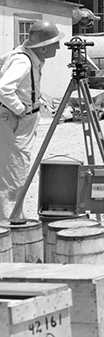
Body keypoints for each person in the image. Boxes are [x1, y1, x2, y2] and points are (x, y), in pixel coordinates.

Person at [0, 21, 61, 220]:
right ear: (42, 47)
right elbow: (4, 89)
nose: (58, 47)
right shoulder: (23, 61)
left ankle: (14, 218)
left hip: (20, 119)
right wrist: (20, 109)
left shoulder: (26, 56)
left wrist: (37, 102)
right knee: (15, 174)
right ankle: (10, 224)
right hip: (15, 121)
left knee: (16, 172)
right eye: (54, 43)